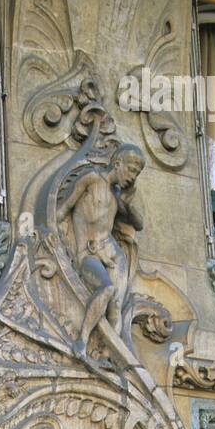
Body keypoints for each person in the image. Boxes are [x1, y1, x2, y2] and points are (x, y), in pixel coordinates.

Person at [56, 143, 146, 358]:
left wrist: (128, 202)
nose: (133, 177)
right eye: (131, 170)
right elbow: (64, 208)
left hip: (113, 254)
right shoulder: (92, 179)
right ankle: (82, 341)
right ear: (117, 163)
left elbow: (139, 223)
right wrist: (49, 232)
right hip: (88, 252)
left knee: (116, 305)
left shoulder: (117, 195)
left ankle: (109, 356)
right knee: (106, 290)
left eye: (137, 173)